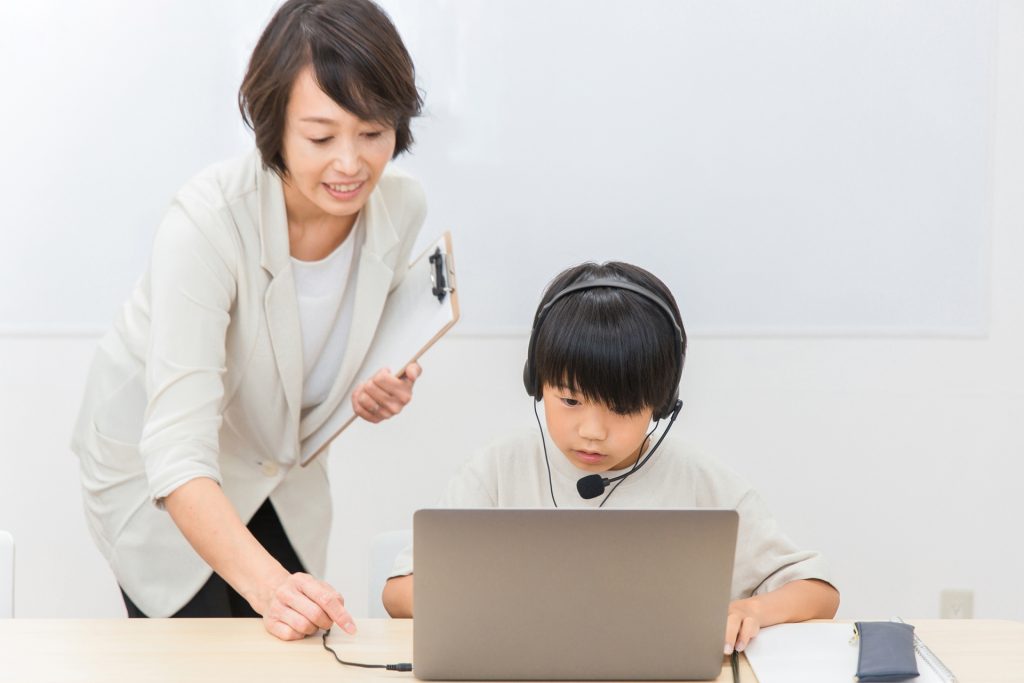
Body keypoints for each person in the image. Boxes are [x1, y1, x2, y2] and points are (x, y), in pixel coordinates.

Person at [71, 0, 426, 641]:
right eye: (321, 138)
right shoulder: (206, 222)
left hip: (276, 472)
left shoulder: (401, 208)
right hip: (164, 475)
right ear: (273, 127)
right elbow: (177, 448)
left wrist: (375, 385)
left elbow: (319, 341)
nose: (351, 164)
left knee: (293, 649)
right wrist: (269, 588)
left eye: (373, 133)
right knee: (204, 654)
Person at [382, 262, 840, 655]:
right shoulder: (499, 469)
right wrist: (495, 604)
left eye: (620, 409)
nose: (592, 431)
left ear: (661, 404)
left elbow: (818, 593)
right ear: (536, 384)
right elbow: (399, 592)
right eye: (570, 401)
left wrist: (752, 609)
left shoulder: (702, 482)